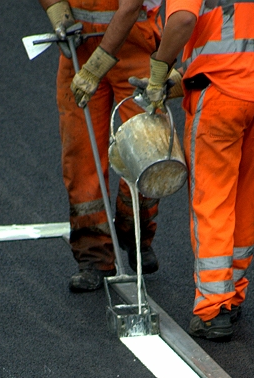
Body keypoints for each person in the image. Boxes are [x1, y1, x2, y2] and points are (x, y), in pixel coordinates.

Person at [137, 0, 254, 340]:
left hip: (222, 97)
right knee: (249, 197)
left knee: (213, 196)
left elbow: (182, 21)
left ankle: (213, 307)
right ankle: (231, 297)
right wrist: (177, 81)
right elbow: (227, 41)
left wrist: (158, 71)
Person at [40, 0, 165, 292]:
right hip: (80, 45)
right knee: (81, 157)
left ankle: (134, 231)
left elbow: (131, 6)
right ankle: (94, 256)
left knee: (148, 153)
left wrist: (96, 66)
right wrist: (57, 11)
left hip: (133, 40)